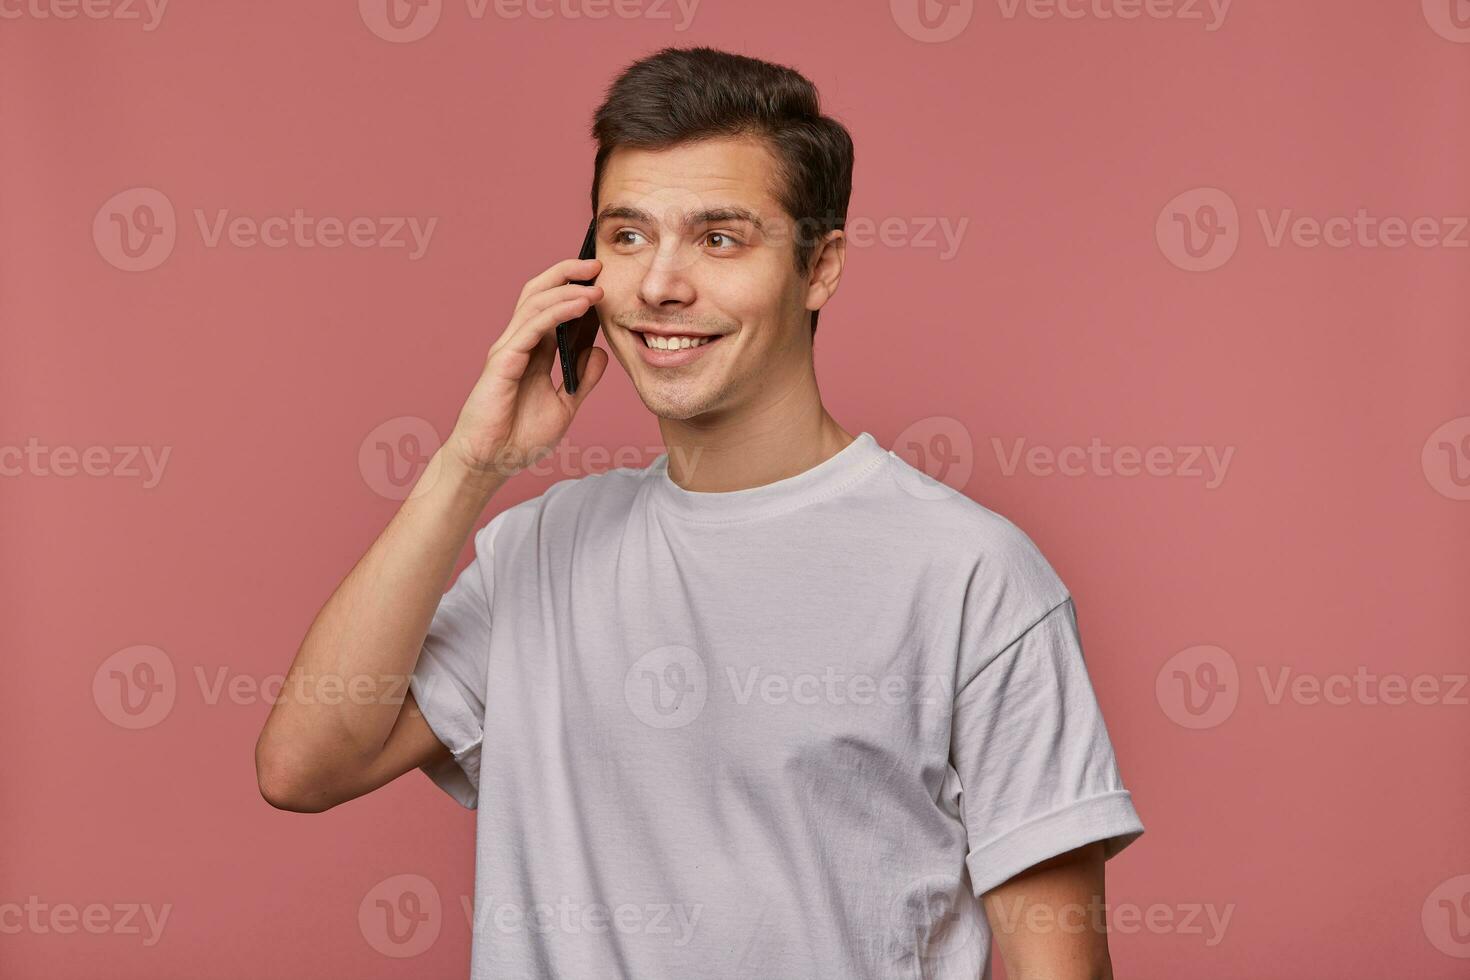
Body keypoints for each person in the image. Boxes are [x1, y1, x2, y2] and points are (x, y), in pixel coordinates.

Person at [254, 44, 1144, 980]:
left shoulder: (972, 574)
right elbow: (304, 766)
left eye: (720, 238)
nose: (659, 285)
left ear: (821, 265)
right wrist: (473, 464)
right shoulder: (542, 548)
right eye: (628, 236)